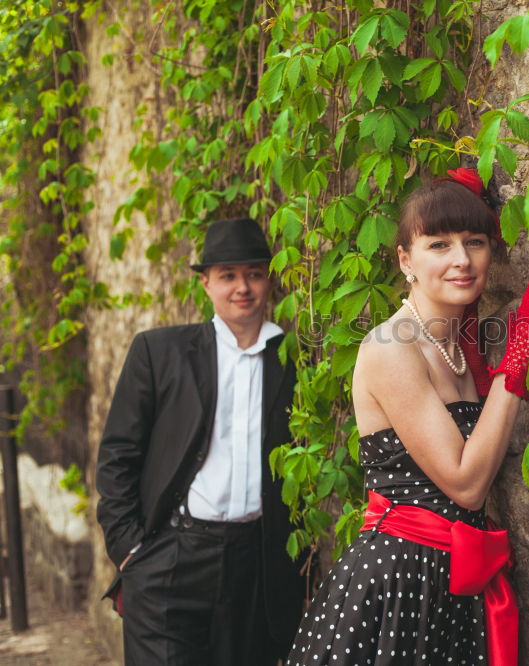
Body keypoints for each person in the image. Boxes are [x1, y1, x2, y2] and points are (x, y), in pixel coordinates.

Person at [286, 168, 529, 666]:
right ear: (406, 260)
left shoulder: (460, 349)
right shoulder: (391, 348)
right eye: (439, 245)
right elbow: (466, 484)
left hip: (458, 586)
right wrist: (515, 369)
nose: (462, 260)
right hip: (399, 582)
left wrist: (499, 372)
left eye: (474, 241)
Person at [95, 216, 308, 665]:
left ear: (268, 280)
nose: (242, 287)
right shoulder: (159, 352)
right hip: (171, 557)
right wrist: (129, 549)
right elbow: (118, 455)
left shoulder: (291, 360)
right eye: (228, 275)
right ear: (206, 283)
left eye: (253, 274)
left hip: (255, 567)